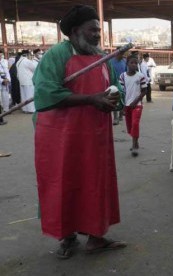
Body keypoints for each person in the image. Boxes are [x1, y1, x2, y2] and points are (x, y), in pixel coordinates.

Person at [33, 5, 126, 259]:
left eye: (99, 30)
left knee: (95, 184)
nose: (98, 35)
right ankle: (67, 237)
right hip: (61, 137)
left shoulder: (102, 57)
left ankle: (96, 237)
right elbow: (45, 92)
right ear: (75, 32)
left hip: (95, 136)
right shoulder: (57, 55)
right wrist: (90, 99)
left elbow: (116, 88)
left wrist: (113, 101)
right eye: (92, 30)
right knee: (63, 183)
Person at [120, 55, 147, 156]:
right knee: (130, 127)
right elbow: (122, 92)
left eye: (136, 63)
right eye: (132, 62)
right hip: (127, 105)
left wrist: (136, 101)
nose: (134, 65)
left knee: (135, 123)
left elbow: (144, 91)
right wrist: (122, 106)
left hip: (137, 105)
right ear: (127, 64)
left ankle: (134, 145)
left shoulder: (140, 76)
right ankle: (135, 140)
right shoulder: (122, 76)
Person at [110, 46, 126, 125]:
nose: (122, 55)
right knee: (114, 100)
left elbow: (127, 72)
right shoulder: (111, 62)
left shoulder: (124, 61)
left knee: (122, 99)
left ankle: (121, 115)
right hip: (114, 83)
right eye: (120, 53)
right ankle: (115, 117)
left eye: (123, 53)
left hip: (123, 83)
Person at [0, 50, 11, 121]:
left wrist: (7, 79)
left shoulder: (5, 61)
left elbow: (7, 71)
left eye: (1, 55)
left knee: (6, 95)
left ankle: (6, 109)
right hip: (1, 80)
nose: (0, 56)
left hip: (5, 80)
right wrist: (2, 80)